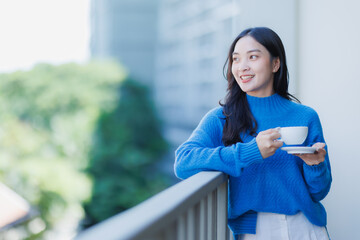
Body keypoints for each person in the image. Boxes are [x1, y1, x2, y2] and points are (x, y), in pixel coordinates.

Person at [174, 27, 332, 240]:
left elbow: (318, 192)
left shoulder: (305, 116)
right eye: (236, 59)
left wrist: (315, 165)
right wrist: (250, 152)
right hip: (255, 231)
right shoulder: (221, 117)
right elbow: (183, 162)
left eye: (253, 57)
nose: (242, 67)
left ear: (276, 64)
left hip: (305, 227)